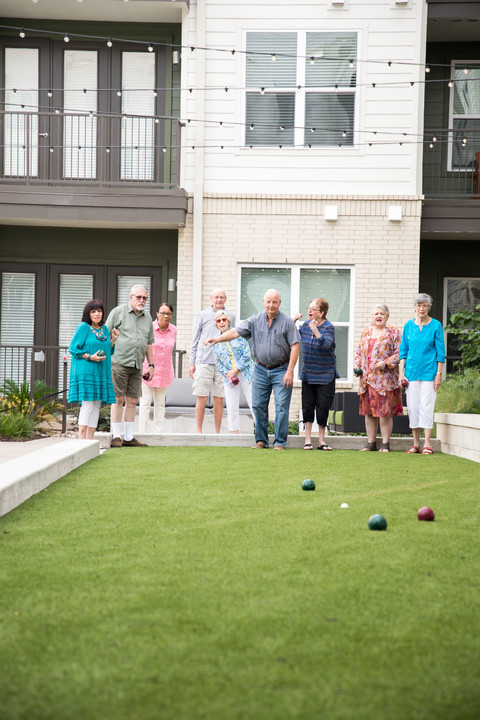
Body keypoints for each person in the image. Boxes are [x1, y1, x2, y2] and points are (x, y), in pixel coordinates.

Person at [205, 289, 300, 450]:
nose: (271, 305)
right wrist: (217, 339)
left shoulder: (287, 322)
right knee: (258, 405)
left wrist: (290, 371)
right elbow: (235, 332)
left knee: (281, 406)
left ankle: (279, 443)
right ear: (263, 302)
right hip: (260, 369)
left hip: (281, 369)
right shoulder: (255, 320)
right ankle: (261, 441)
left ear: (279, 303)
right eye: (268, 301)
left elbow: (295, 346)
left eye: (274, 302)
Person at [105, 285, 155, 447]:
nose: (141, 300)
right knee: (118, 399)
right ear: (130, 297)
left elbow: (148, 343)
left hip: (137, 364)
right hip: (119, 362)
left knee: (133, 400)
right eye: (138, 297)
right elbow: (105, 334)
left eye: (144, 298)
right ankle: (116, 437)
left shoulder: (147, 317)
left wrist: (152, 365)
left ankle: (128, 437)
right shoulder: (118, 312)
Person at [399, 293, 446, 455]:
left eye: (425, 305)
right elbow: (403, 352)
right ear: (415, 307)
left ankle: (427, 444)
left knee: (427, 406)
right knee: (413, 408)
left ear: (429, 308)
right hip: (411, 373)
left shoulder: (436, 325)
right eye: (419, 305)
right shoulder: (408, 326)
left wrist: (438, 374)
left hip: (429, 373)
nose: (421, 308)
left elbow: (441, 353)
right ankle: (415, 444)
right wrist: (401, 374)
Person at [354, 304, 403, 452]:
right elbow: (358, 354)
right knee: (369, 413)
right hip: (367, 380)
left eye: (382, 314)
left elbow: (400, 353)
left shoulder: (393, 332)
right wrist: (357, 368)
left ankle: (386, 444)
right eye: (376, 314)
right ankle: (371, 443)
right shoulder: (366, 332)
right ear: (372, 317)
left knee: (384, 412)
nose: (379, 316)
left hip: (384, 381)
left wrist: (386, 363)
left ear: (387, 316)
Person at [68, 299, 119, 440]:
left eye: (99, 311)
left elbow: (107, 351)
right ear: (88, 314)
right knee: (88, 405)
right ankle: (81, 439)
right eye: (93, 311)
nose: (97, 314)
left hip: (101, 372)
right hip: (86, 372)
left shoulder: (104, 329)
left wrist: (113, 340)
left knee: (96, 405)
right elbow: (73, 349)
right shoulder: (83, 327)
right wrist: (90, 357)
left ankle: (90, 441)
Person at [189, 288, 235, 434]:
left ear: (225, 299)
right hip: (204, 362)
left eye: (222, 297)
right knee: (201, 396)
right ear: (211, 298)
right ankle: (199, 431)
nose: (219, 300)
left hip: (223, 364)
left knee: (219, 398)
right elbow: (195, 339)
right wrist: (192, 363)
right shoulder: (202, 315)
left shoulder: (231, 316)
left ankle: (217, 433)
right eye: (216, 297)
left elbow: (234, 338)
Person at [297, 298, 339, 450]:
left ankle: (322, 440)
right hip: (308, 373)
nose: (309, 311)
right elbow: (291, 338)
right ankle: (308, 439)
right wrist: (291, 322)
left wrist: (315, 329)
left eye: (313, 309)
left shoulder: (329, 328)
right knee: (308, 406)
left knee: (322, 407)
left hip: (325, 374)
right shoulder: (304, 326)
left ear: (321, 313)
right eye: (309, 308)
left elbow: (328, 346)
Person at [211, 310, 255, 434]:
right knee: (231, 405)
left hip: (246, 373)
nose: (221, 322)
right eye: (218, 321)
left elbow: (247, 355)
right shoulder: (215, 340)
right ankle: (234, 432)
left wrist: (236, 370)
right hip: (229, 377)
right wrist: (228, 373)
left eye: (224, 320)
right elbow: (217, 362)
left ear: (229, 321)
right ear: (216, 324)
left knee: (254, 403)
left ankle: (260, 431)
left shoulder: (238, 334)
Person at [138, 302, 177, 434]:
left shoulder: (174, 330)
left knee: (160, 404)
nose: (165, 316)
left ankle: (158, 433)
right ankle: (143, 433)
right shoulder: (149, 328)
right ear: (157, 314)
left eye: (168, 313)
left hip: (164, 373)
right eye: (163, 313)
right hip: (148, 371)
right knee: (145, 403)